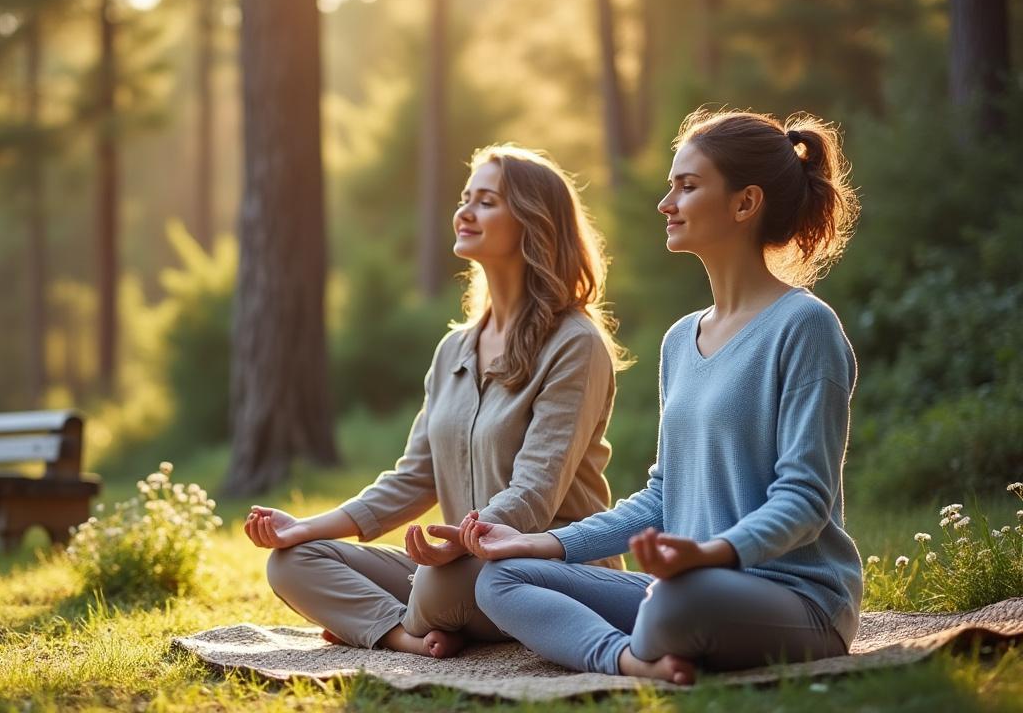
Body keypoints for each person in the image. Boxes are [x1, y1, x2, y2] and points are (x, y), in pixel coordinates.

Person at [452, 109, 863, 685]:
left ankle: (633, 640)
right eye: (670, 186)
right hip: (684, 582)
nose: (665, 204)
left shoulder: (805, 328)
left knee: (669, 605)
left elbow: (804, 501)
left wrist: (708, 555)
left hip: (793, 599)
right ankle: (627, 659)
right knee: (501, 577)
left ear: (745, 204)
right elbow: (662, 497)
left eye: (687, 187)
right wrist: (540, 541)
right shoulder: (680, 340)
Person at [243, 144, 628, 658]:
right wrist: (307, 527)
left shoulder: (576, 344)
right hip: (458, 560)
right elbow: (414, 478)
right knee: (293, 562)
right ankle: (410, 636)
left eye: (486, 201)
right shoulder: (455, 349)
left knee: (437, 585)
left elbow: (535, 494)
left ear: (534, 223)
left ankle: (397, 622)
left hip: (543, 566)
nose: (464, 212)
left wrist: (457, 546)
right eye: (465, 197)